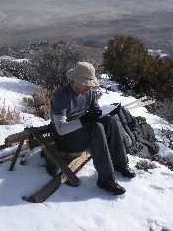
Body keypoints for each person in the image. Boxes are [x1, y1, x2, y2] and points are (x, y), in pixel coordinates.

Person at [49, 62, 135, 195]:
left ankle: (120, 163)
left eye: (90, 83)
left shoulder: (88, 93)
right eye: (85, 83)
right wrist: (84, 120)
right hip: (64, 139)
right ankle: (106, 180)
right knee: (95, 128)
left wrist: (109, 110)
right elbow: (60, 129)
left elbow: (96, 113)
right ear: (75, 81)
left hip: (80, 133)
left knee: (110, 121)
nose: (89, 87)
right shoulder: (60, 96)